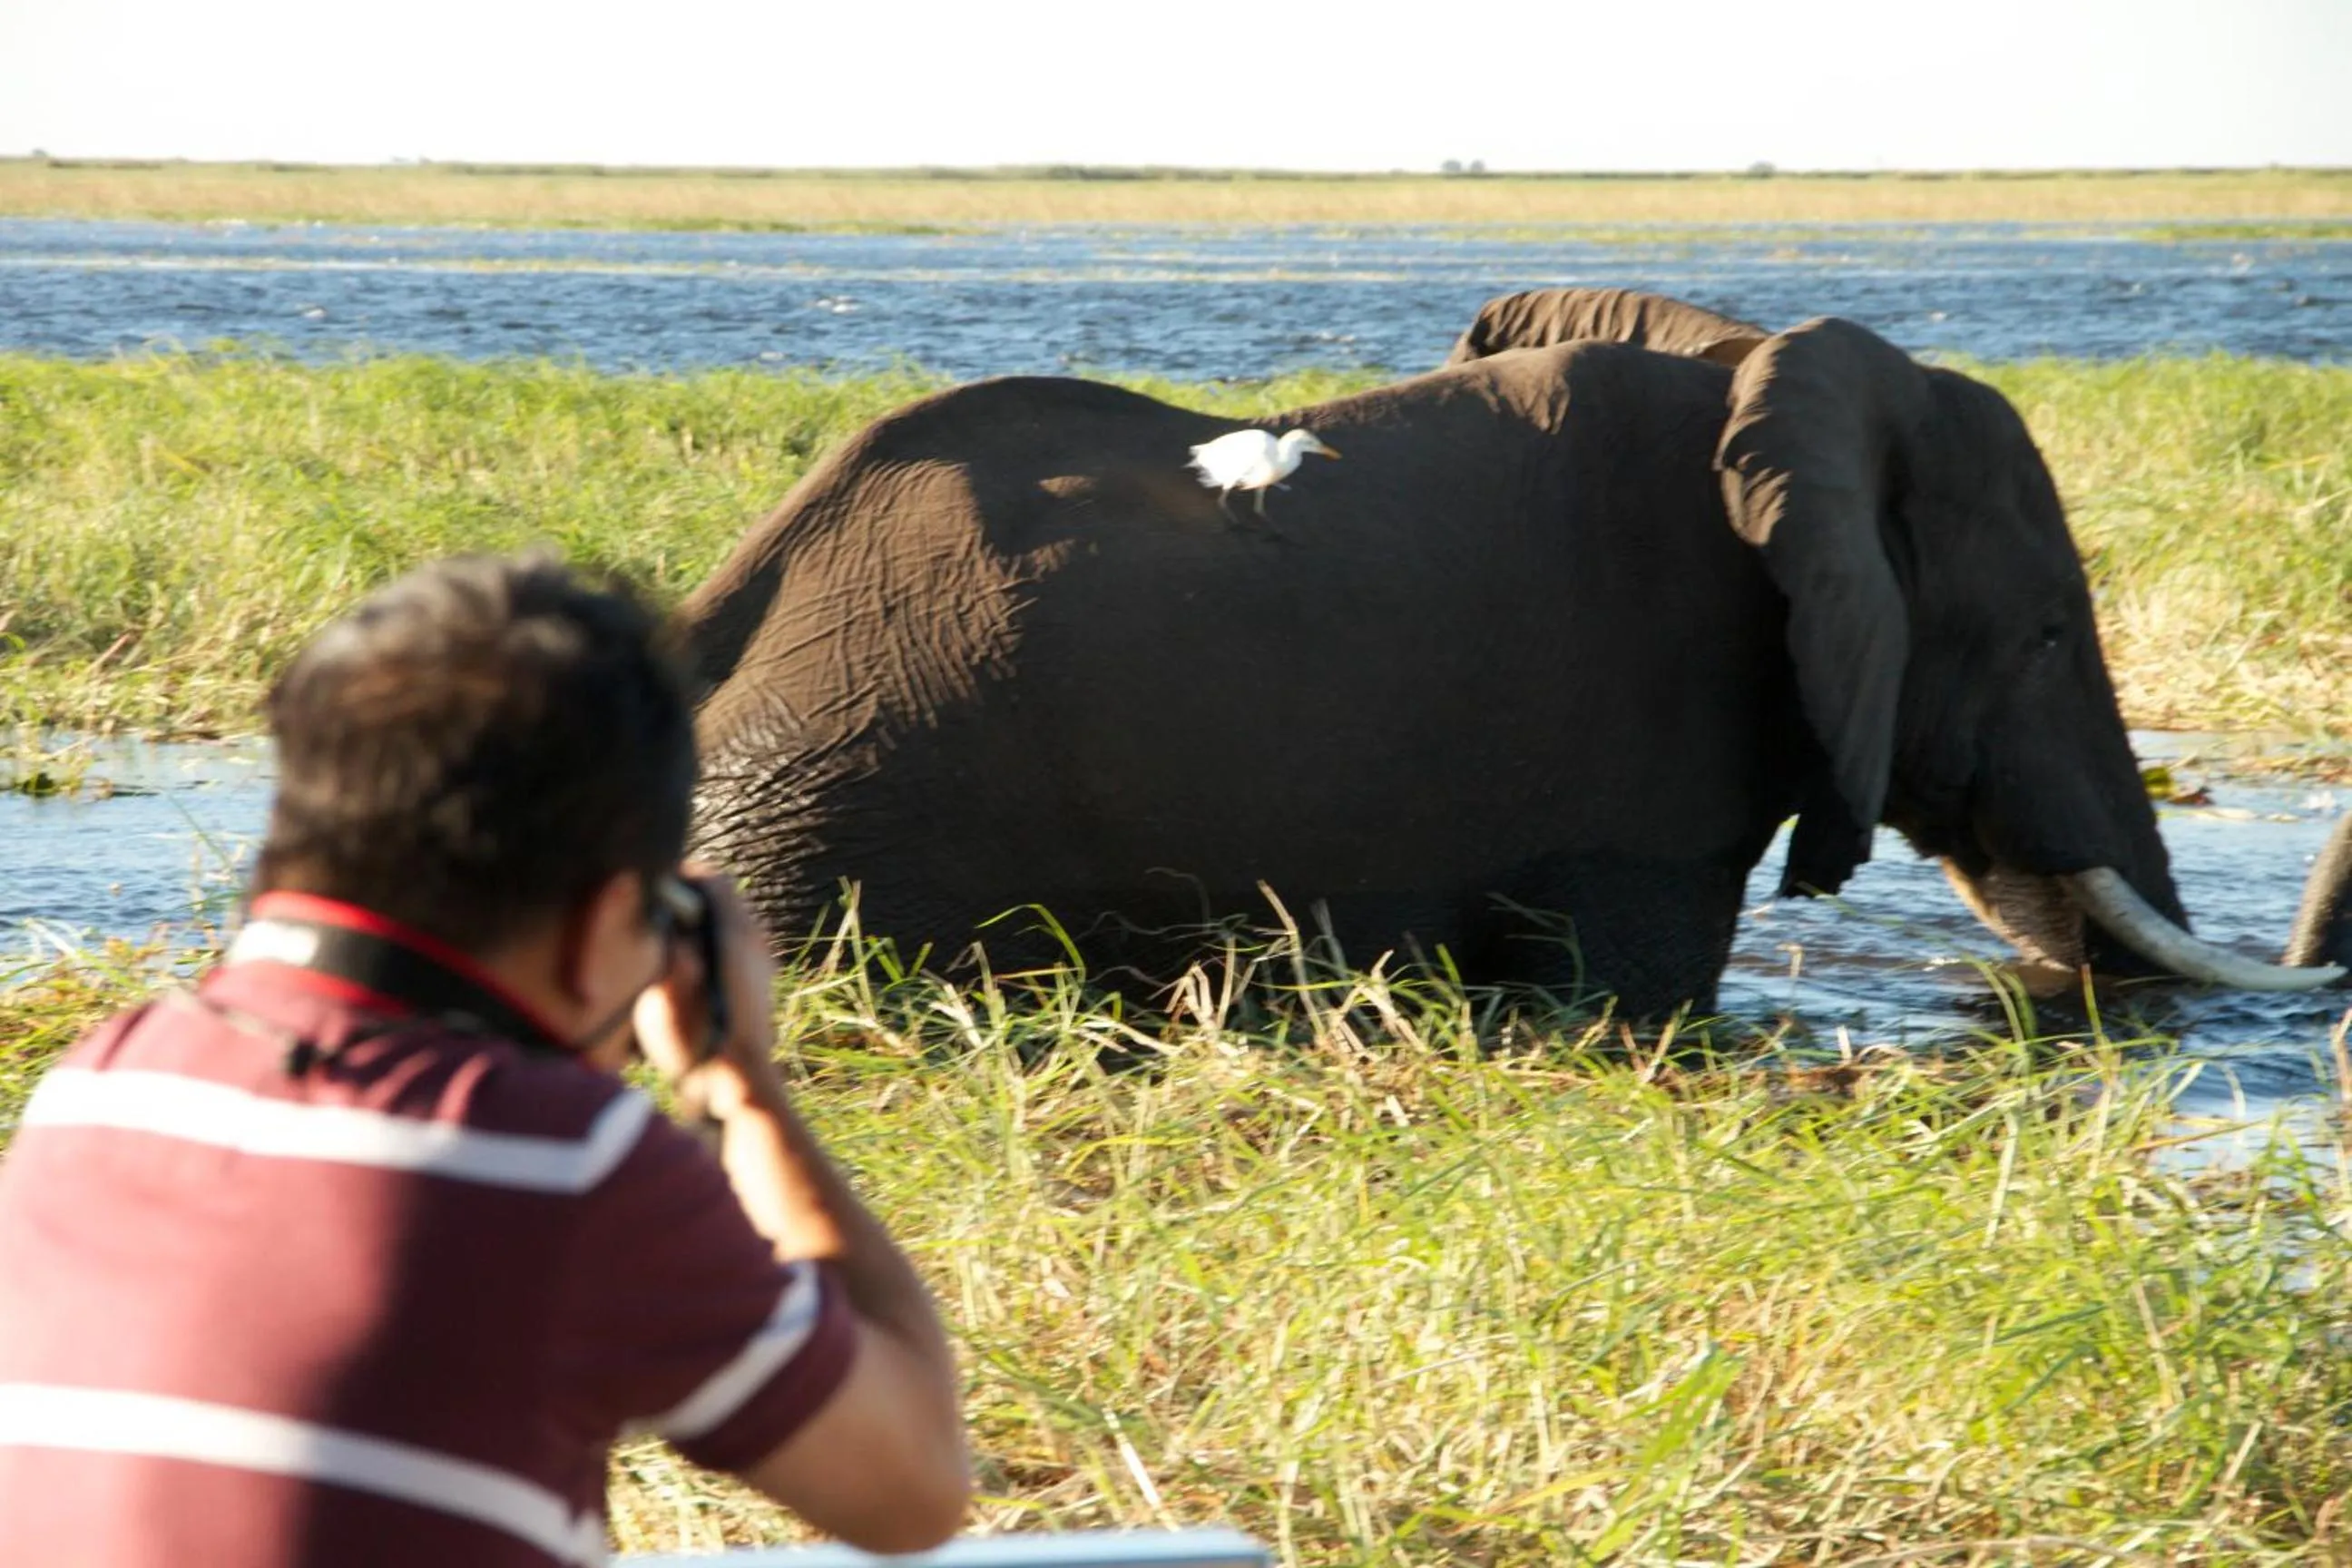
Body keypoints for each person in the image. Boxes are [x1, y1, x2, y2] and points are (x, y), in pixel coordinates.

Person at [0, 554, 969, 1565]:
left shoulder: (96, 1086)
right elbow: (912, 1494)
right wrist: (740, 1082)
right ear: (605, 926)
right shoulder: (565, 1162)